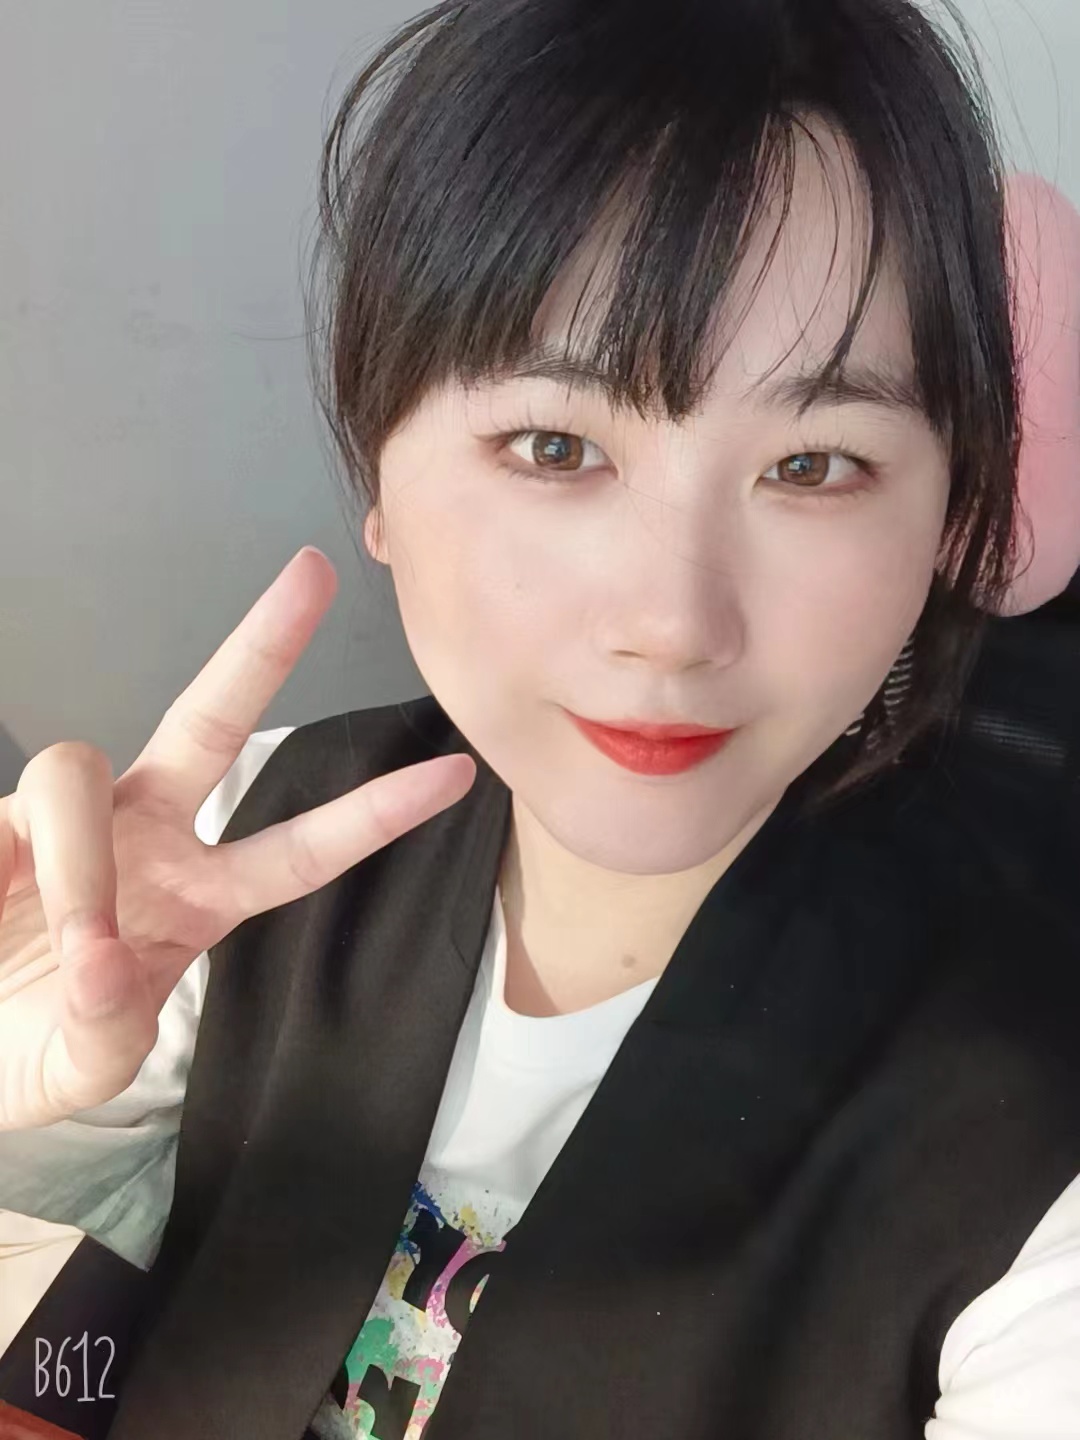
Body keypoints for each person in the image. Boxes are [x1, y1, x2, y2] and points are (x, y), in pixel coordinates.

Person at [1, 0, 1080, 1437]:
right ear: (379, 474)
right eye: (556, 445)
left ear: (946, 510)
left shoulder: (1034, 1158)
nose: (674, 624)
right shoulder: (235, 848)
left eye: (814, 465)